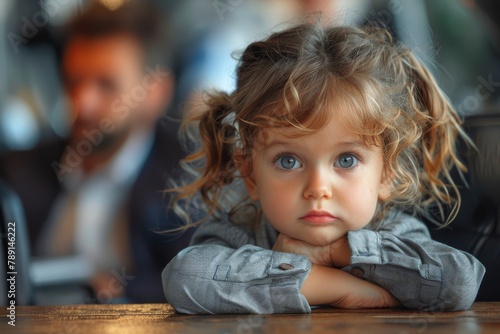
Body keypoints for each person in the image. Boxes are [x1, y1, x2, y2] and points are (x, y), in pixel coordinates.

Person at [161, 22, 486, 313]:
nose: (318, 187)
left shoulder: (394, 233)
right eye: (288, 161)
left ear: (387, 172)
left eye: (346, 160)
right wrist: (342, 288)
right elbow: (185, 277)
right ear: (250, 175)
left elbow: (459, 282)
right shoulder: (239, 233)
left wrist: (341, 253)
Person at [3, 1, 194, 303]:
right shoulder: (19, 169)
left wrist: (109, 293)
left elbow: (196, 290)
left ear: (156, 92)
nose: (82, 102)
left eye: (106, 85)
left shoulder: (192, 181)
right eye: (73, 81)